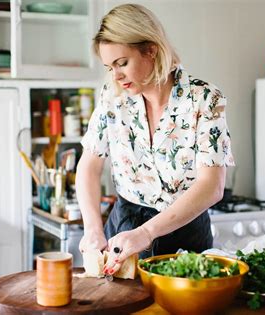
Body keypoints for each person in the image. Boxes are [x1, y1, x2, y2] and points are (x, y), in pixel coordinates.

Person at [76, 3, 234, 276]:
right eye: (109, 67)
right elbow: (89, 166)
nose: (116, 76)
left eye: (122, 63)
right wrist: (92, 229)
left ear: (151, 49)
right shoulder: (112, 97)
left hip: (185, 234)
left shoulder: (204, 99)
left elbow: (212, 186)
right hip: (123, 231)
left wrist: (147, 232)